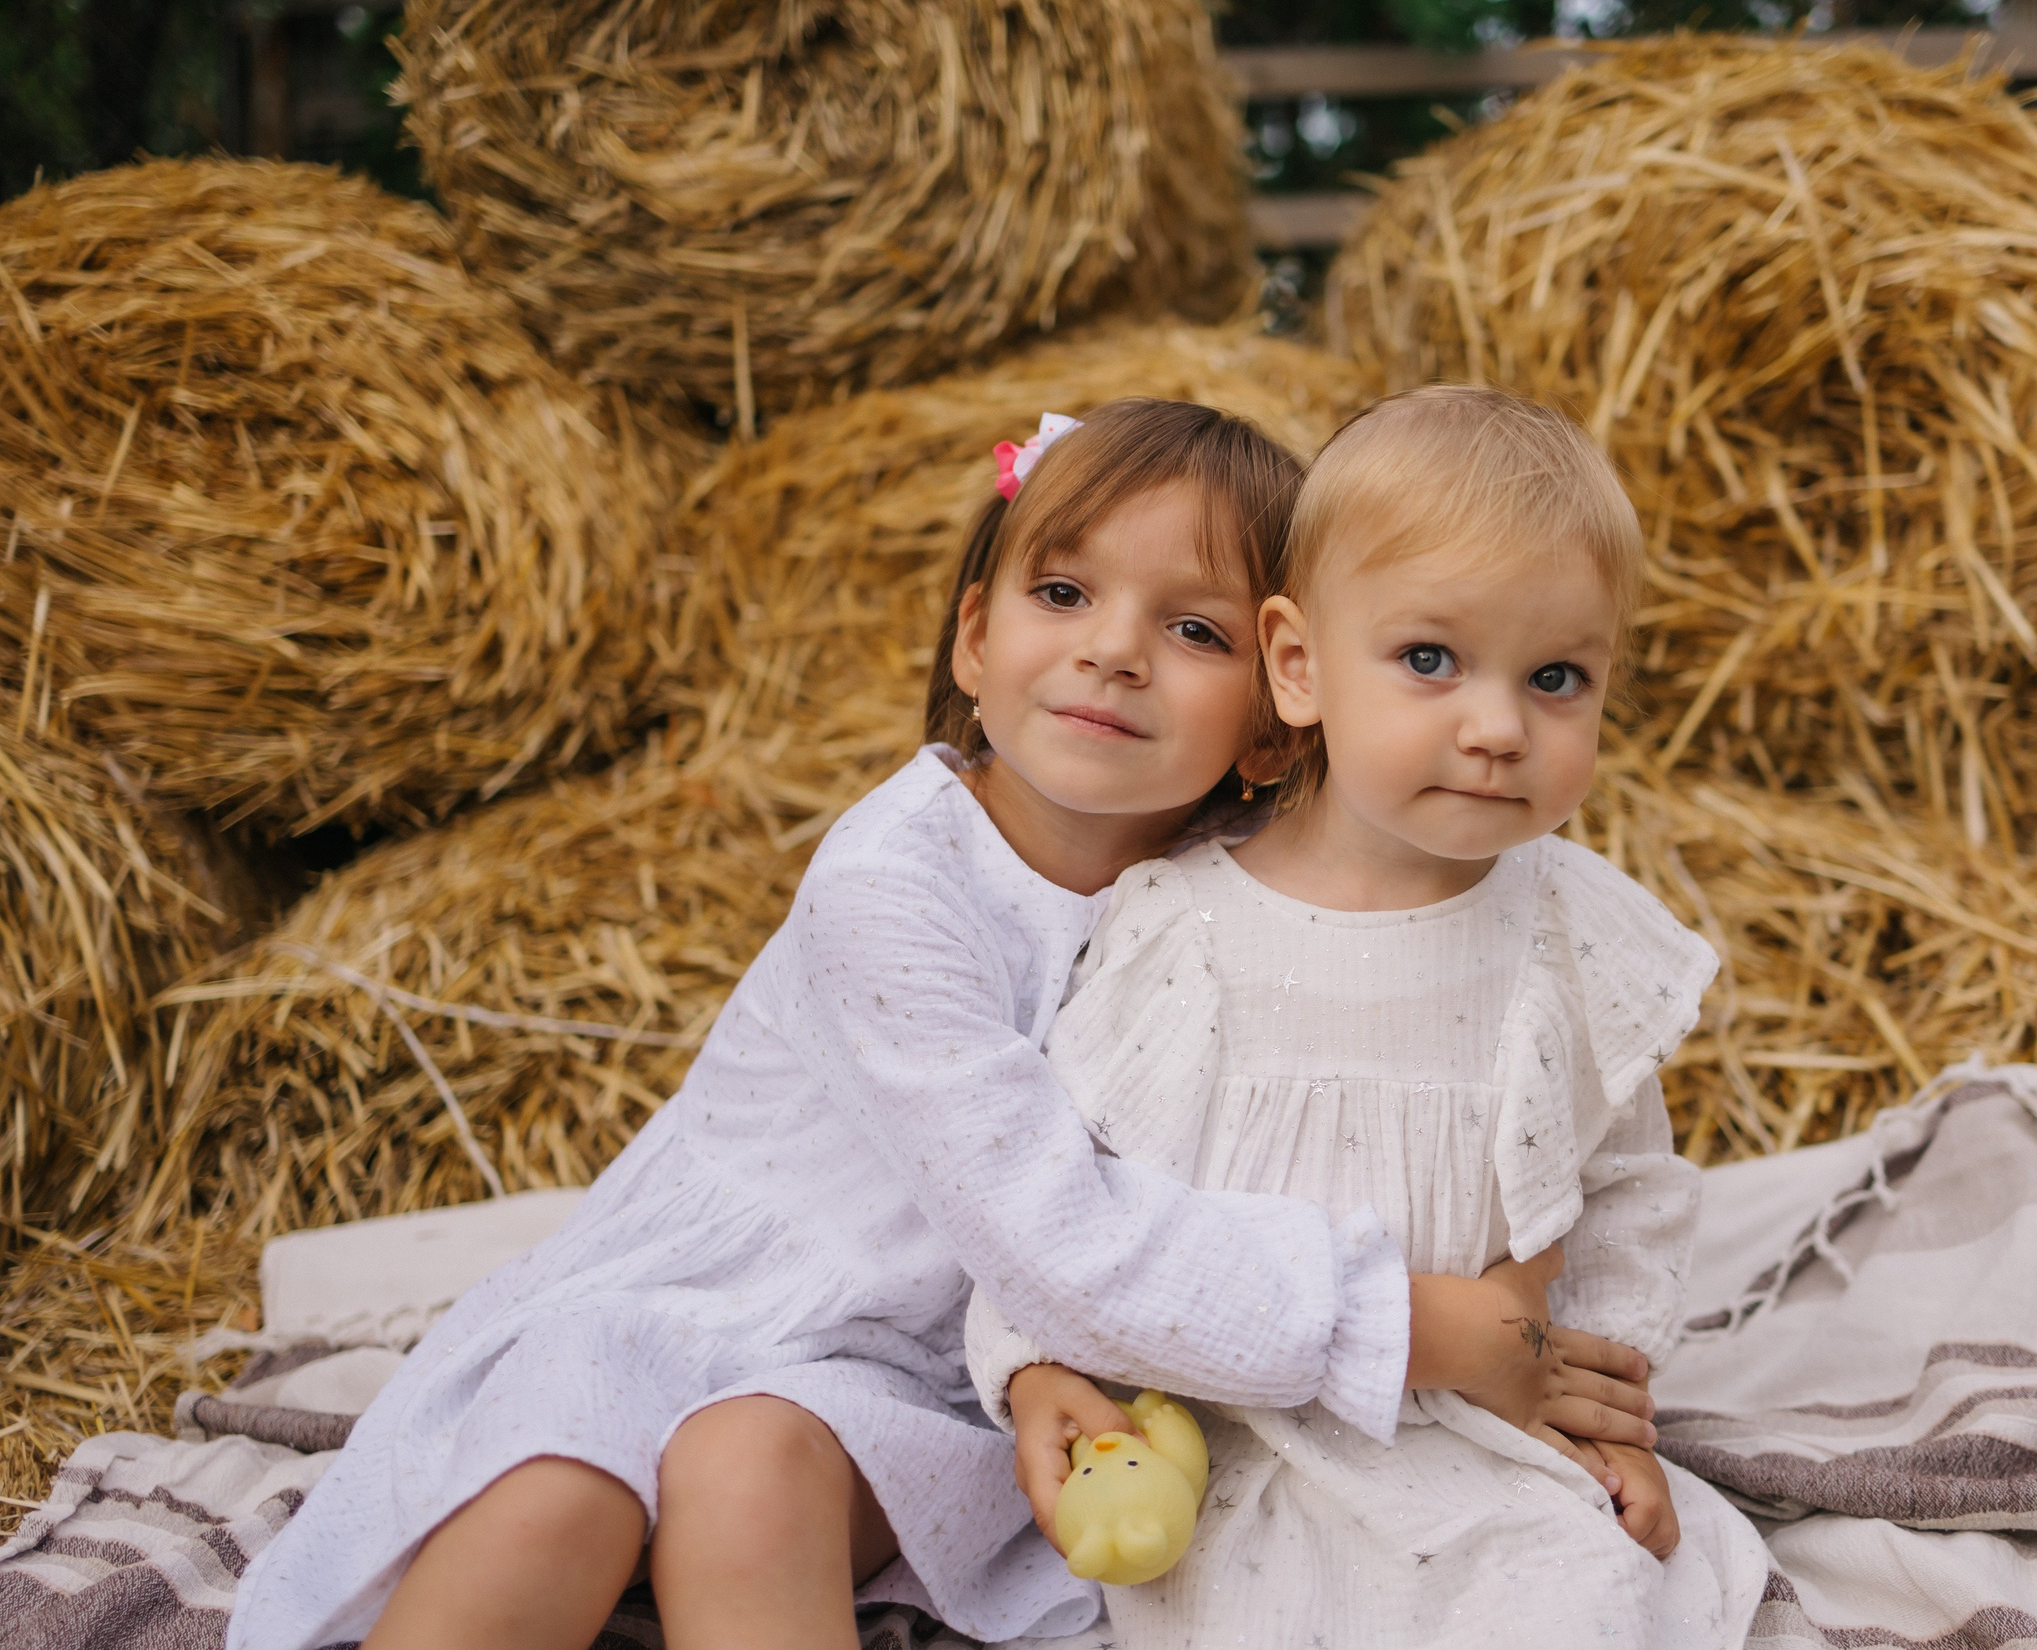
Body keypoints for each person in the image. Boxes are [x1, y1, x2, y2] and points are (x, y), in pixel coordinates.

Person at [228, 398, 1651, 1650]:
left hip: (950, 1375)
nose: (1113, 651)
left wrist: (1045, 1365)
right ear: (975, 636)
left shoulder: (1227, 904)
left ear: (1283, 711)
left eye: (1194, 627)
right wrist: (1403, 1318)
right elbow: (1061, 1228)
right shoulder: (891, 881)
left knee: (748, 1475)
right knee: (549, 1500)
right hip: (712, 1306)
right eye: (1065, 591)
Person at [973, 387, 1771, 1650]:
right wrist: (1032, 1367)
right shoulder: (1185, 929)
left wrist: (1603, 1411)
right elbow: (1058, 1192)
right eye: (1430, 661)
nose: (1498, 727)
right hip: (1225, 1430)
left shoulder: (1568, 924)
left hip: (1479, 1420)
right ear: (1297, 666)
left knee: (1587, 1598)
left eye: (1557, 678)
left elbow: (1623, 1183)